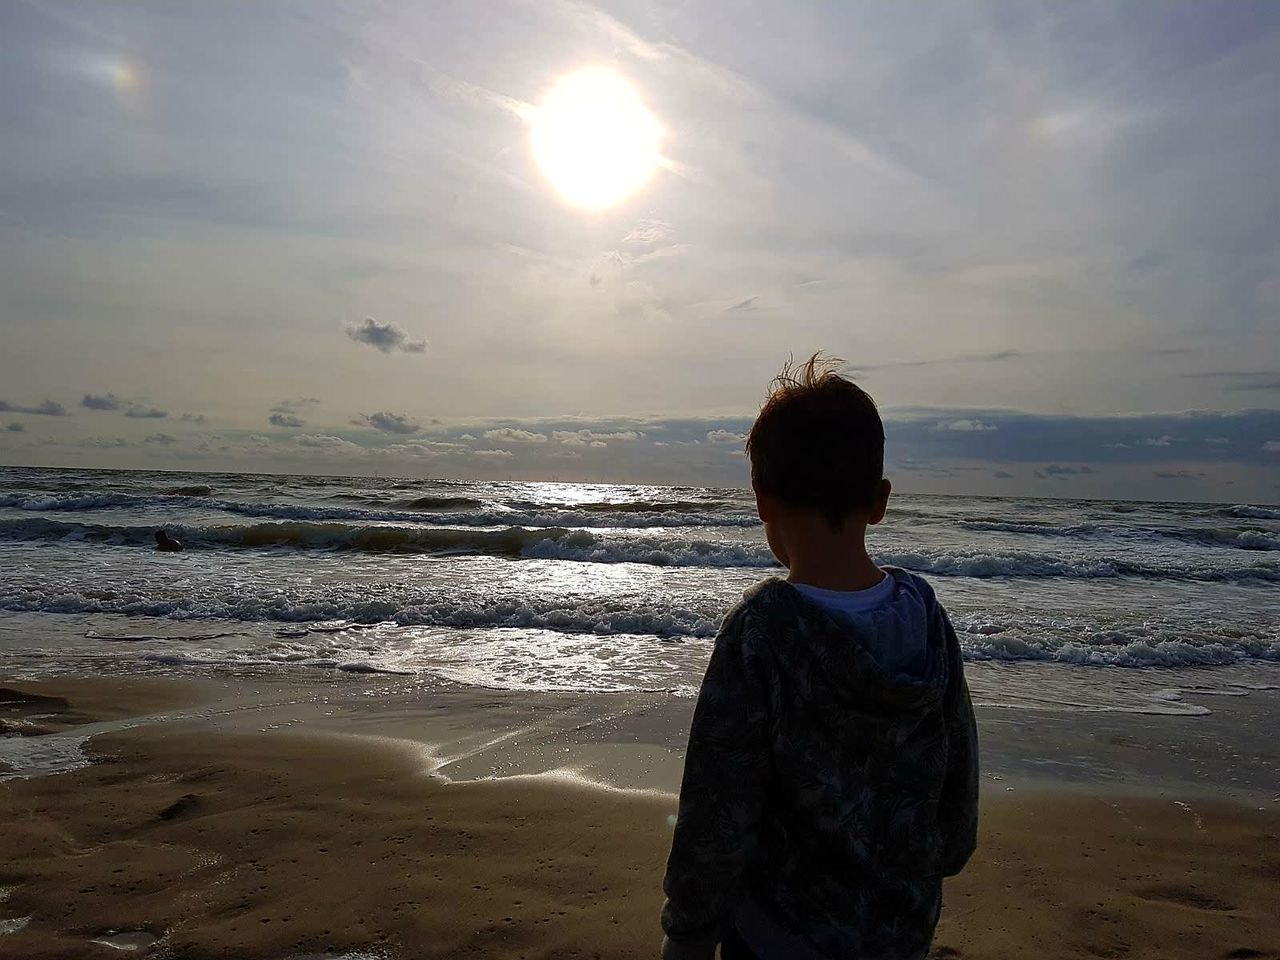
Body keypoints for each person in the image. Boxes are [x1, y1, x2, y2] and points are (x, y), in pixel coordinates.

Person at [661, 354, 979, 960]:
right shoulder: (926, 618)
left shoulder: (762, 632)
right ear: (880, 500)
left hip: (780, 937)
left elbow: (717, 809)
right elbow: (957, 785)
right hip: (899, 931)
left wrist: (689, 932)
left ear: (763, 501)